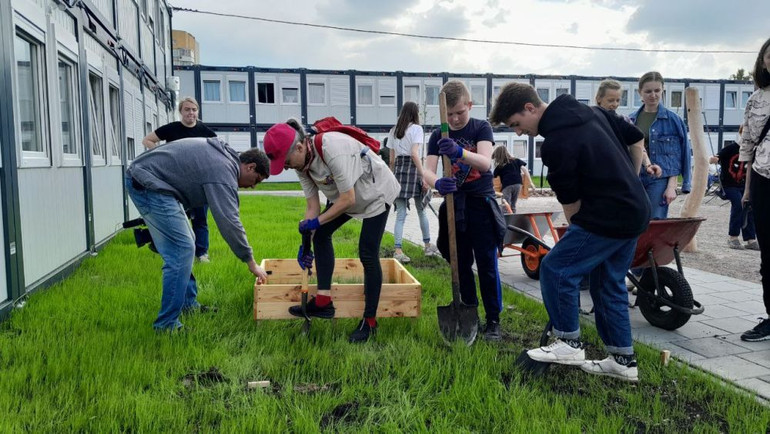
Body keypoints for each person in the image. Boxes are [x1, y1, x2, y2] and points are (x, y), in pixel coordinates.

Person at [489, 82, 650, 382]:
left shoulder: (556, 142)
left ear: (530, 108)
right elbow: (637, 138)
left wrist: (576, 236)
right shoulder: (594, 112)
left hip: (608, 216)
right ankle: (622, 361)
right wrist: (631, 178)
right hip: (635, 209)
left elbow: (571, 203)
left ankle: (568, 342)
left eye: (517, 125)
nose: (518, 133)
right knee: (608, 283)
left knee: (556, 268)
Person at [263, 119, 400, 343]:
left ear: (299, 146)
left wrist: (316, 224)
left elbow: (348, 199)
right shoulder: (302, 164)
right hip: (347, 196)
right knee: (322, 234)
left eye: (286, 162)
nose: (287, 167)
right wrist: (306, 242)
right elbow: (312, 207)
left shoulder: (331, 149)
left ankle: (370, 322)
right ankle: (324, 302)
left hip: (375, 193)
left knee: (367, 252)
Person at [125, 137, 270, 331]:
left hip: (153, 181)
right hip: (147, 183)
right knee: (181, 250)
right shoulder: (223, 171)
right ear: (250, 167)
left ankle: (187, 304)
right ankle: (166, 324)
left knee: (187, 243)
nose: (253, 186)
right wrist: (251, 262)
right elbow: (229, 222)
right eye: (256, 181)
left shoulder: (224, 159)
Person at [422, 80, 506, 341]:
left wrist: (459, 152)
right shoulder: (438, 135)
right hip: (453, 206)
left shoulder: (481, 127)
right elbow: (426, 170)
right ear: (442, 112)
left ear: (470, 105)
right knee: (460, 263)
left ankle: (493, 320)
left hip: (481, 204)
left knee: (487, 264)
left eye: (460, 112)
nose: (456, 119)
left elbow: (484, 163)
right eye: (450, 114)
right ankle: (470, 312)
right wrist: (436, 182)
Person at [142, 97, 217, 263]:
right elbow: (147, 140)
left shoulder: (206, 132)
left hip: (199, 183)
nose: (191, 113)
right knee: (173, 217)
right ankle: (173, 250)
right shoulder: (172, 129)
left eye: (194, 110)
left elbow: (217, 151)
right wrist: (162, 153)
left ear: (197, 111)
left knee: (200, 219)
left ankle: (201, 253)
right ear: (181, 112)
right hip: (174, 182)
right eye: (187, 109)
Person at [738, 37, 770, 342]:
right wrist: (747, 188)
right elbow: (748, 146)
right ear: (763, 62)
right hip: (763, 179)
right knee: (768, 255)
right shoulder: (757, 99)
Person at [629, 72, 692, 219]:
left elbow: (681, 154)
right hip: (635, 178)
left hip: (660, 180)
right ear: (640, 93)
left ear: (662, 90)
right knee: (632, 220)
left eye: (657, 90)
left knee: (654, 221)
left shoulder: (674, 120)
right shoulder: (631, 120)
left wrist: (672, 186)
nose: (653, 95)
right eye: (648, 91)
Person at [387, 101, 439, 263]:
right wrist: (423, 175)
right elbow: (415, 153)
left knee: (401, 214)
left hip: (399, 172)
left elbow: (391, 159)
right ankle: (427, 245)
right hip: (413, 169)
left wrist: (391, 177)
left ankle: (398, 250)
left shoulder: (394, 130)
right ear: (415, 114)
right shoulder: (416, 129)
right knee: (421, 209)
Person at [709, 129, 758, 250]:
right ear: (741, 133)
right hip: (729, 186)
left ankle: (750, 239)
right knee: (738, 205)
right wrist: (714, 159)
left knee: (749, 207)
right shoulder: (730, 149)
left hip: (743, 185)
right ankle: (733, 237)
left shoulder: (752, 150)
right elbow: (713, 159)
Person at [491, 146, 534, 214]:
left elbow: (493, 177)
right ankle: (513, 219)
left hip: (507, 185)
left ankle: (506, 221)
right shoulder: (516, 160)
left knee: (506, 205)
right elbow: (525, 169)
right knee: (513, 205)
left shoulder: (500, 166)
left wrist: (491, 187)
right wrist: (530, 182)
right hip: (518, 184)